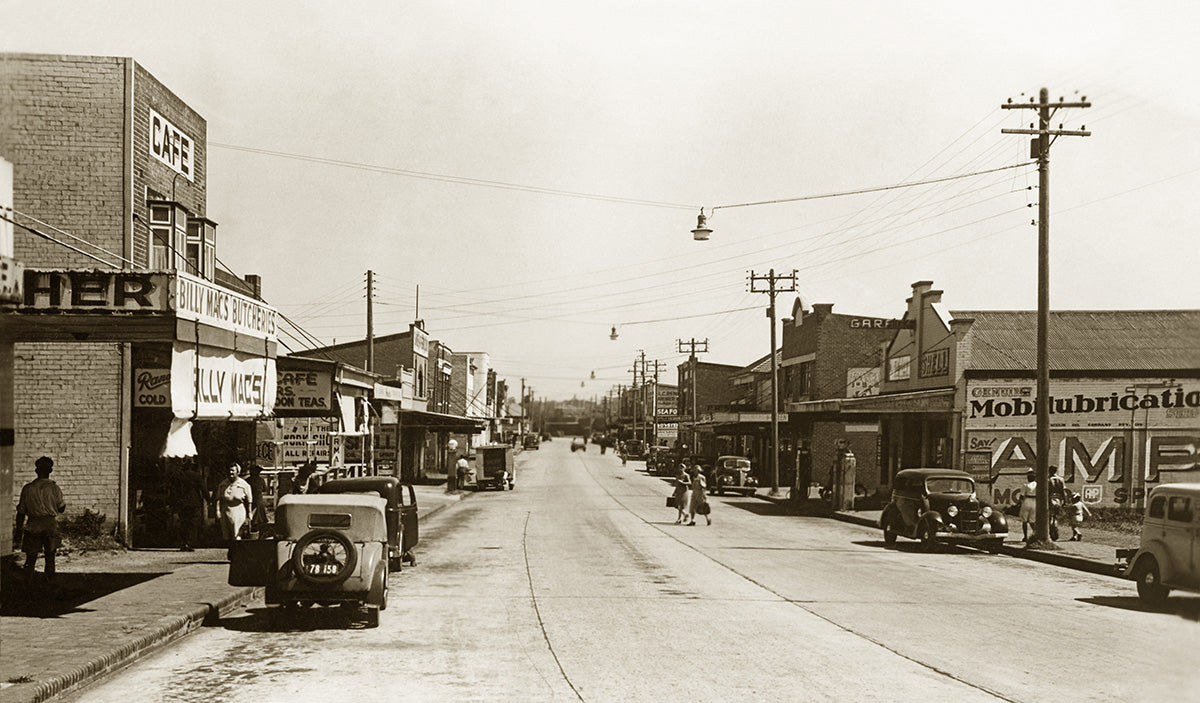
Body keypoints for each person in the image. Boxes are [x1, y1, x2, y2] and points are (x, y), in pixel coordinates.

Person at [15, 456, 67, 590]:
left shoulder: (27, 488)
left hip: (33, 525)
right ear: (50, 470)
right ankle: (49, 584)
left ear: (36, 470)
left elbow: (21, 512)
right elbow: (61, 508)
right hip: (50, 524)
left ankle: (28, 585)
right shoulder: (55, 488)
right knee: (50, 557)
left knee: (31, 558)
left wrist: (18, 530)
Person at [214, 463, 253, 551]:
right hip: (226, 511)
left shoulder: (244, 484)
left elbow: (249, 500)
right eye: (229, 470)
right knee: (226, 535)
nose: (230, 472)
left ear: (237, 472)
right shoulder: (223, 484)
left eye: (233, 470)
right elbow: (218, 499)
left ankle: (237, 553)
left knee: (237, 535)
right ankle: (231, 552)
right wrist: (218, 511)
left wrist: (249, 513)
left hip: (238, 511)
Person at [172, 459, 207, 551]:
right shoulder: (196, 476)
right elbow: (203, 488)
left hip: (182, 503)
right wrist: (208, 499)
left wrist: (174, 503)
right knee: (193, 523)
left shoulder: (178, 476)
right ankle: (189, 542)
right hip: (194, 502)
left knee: (184, 522)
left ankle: (183, 543)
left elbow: (174, 490)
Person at [247, 465, 268, 536]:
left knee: (253, 520)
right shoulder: (261, 480)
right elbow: (265, 490)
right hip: (257, 501)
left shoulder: (247, 480)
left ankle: (254, 533)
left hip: (253, 501)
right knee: (259, 520)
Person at [1047, 465, 1066, 541]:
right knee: (1056, 516)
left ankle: (1052, 532)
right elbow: (1063, 491)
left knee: (1050, 516)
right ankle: (1055, 530)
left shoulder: (1048, 479)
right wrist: (1065, 500)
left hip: (1050, 498)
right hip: (1059, 498)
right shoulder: (1061, 479)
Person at [1018, 470, 1037, 542]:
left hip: (1027, 501)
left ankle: (1025, 536)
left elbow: (1021, 496)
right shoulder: (1037, 484)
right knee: (1032, 521)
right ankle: (1035, 534)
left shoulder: (1025, 485)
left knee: (1024, 520)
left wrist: (1019, 503)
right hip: (1035, 501)